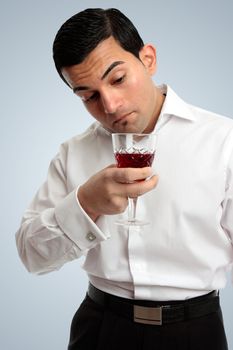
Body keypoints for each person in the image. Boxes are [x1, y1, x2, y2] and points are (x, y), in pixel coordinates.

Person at [15, 8, 232, 350]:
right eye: (88, 96)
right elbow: (31, 255)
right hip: (98, 328)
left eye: (117, 79)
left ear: (148, 59)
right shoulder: (73, 152)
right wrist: (85, 204)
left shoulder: (223, 140)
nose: (111, 105)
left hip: (195, 332)